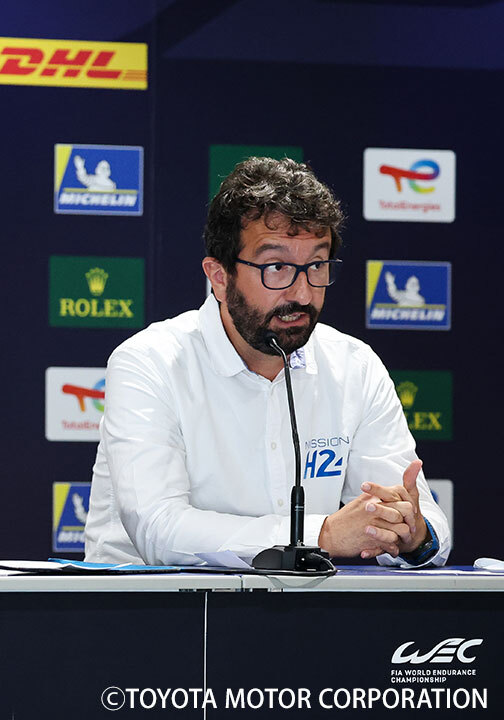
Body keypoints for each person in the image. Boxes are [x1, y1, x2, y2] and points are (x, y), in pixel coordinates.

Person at [85, 157, 450, 567]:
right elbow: (159, 529)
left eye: (316, 265)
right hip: (153, 604)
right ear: (219, 276)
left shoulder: (355, 367)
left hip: (304, 605)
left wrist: (412, 533)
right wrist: (322, 535)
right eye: (276, 267)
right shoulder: (149, 362)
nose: (302, 293)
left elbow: (422, 517)